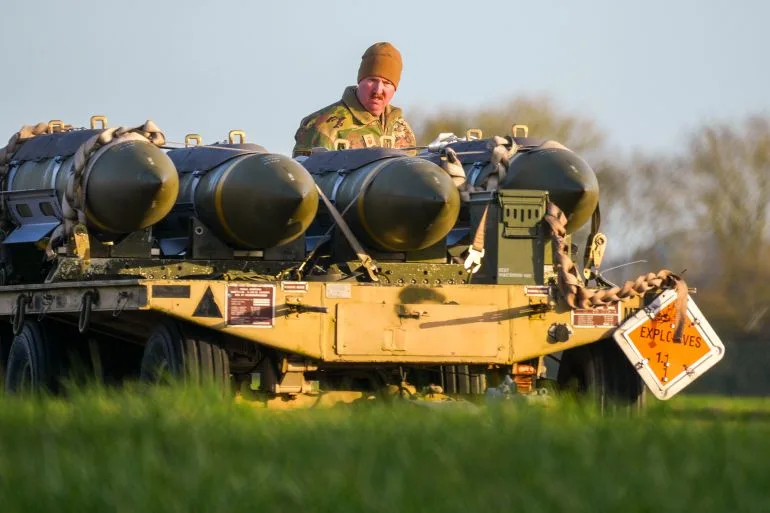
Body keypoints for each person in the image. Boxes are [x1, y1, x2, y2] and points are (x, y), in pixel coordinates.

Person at [292, 42, 417, 157]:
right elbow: (306, 172)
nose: (378, 90)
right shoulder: (321, 126)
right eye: (372, 80)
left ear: (395, 88)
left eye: (386, 83)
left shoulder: (401, 129)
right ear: (360, 81)